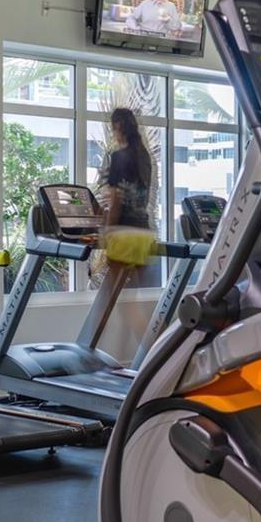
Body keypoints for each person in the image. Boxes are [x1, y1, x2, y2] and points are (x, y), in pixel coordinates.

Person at [97, 107, 156, 346]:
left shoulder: (120, 157)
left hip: (124, 233)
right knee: (132, 300)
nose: (113, 133)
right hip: (143, 232)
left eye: (113, 128)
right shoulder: (144, 156)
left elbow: (116, 199)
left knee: (119, 302)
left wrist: (107, 230)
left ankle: (154, 352)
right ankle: (129, 359)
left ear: (118, 127)